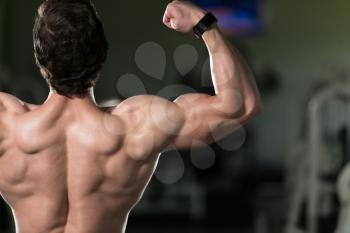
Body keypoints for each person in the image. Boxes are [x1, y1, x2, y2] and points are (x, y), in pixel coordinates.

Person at [0, 0, 261, 232]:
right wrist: (204, 25)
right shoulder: (137, 126)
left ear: (40, 58)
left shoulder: (7, 125)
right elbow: (241, 105)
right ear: (101, 54)